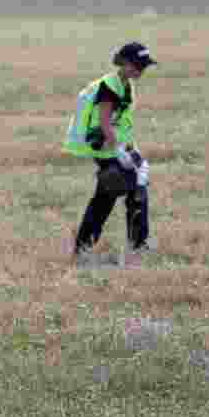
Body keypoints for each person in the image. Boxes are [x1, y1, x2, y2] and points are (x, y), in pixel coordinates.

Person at [64, 42, 156, 258]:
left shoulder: (126, 84)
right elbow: (105, 122)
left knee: (129, 191)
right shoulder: (109, 86)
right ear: (124, 63)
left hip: (119, 146)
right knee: (115, 192)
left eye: (144, 66)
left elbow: (120, 122)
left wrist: (132, 151)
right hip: (106, 149)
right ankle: (87, 247)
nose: (141, 70)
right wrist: (118, 152)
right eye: (138, 66)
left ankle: (134, 243)